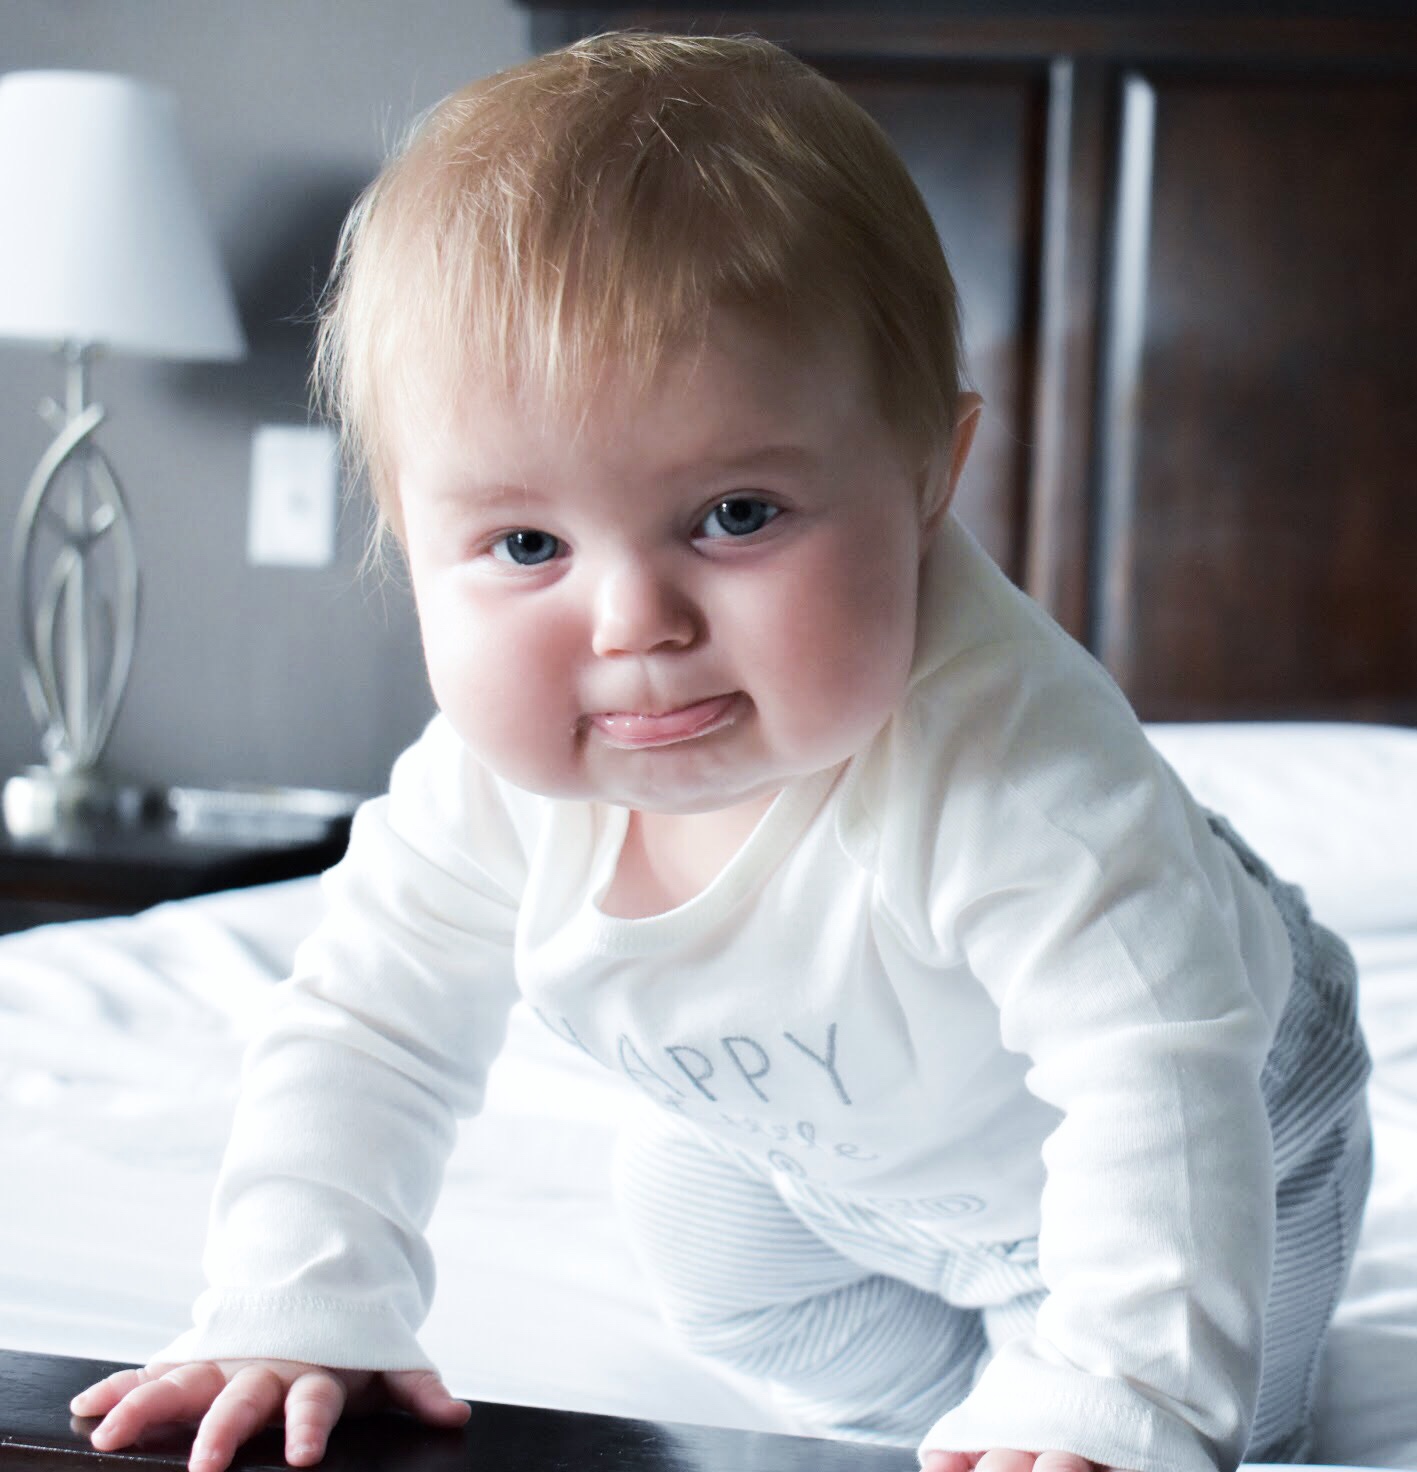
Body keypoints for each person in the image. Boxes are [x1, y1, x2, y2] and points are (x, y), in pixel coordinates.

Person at [71, 31, 1371, 1472]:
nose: (633, 622)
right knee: (693, 1230)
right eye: (524, 543)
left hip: (1221, 1104)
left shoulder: (1014, 770)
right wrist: (297, 1300)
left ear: (926, 473)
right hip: (846, 1162)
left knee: (1216, 1417)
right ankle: (954, 1401)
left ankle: (1051, 1364)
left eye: (736, 514)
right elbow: (366, 1027)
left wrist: (1103, 1399)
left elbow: (1151, 1068)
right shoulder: (481, 788)